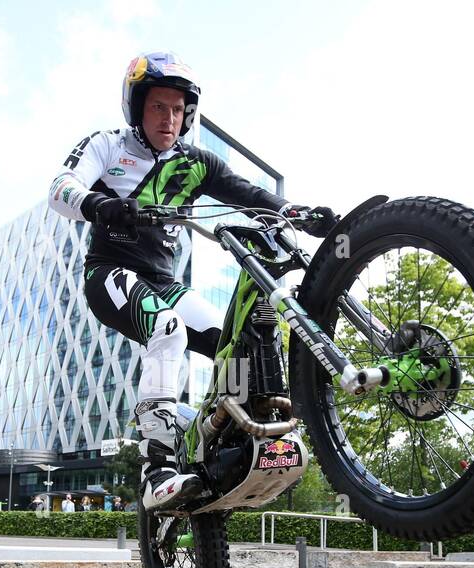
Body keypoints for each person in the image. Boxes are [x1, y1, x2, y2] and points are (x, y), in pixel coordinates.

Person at [49, 51, 336, 511]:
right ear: (137, 108)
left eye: (179, 109)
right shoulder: (107, 145)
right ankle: (155, 466)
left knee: (233, 342)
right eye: (159, 107)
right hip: (110, 273)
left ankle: (222, 441)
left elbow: (252, 196)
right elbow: (60, 189)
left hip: (165, 282)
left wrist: (299, 214)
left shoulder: (196, 163)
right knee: (168, 331)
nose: (169, 118)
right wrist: (100, 205)